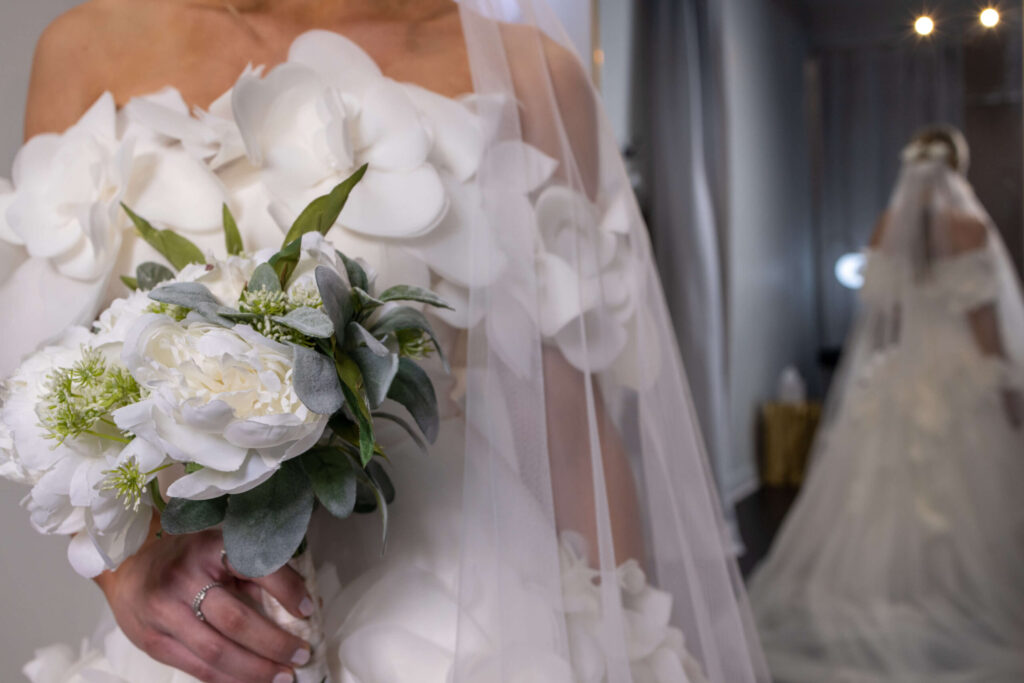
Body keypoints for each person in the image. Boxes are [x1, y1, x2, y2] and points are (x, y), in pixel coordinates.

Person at [3, 1, 768, 682]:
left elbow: (573, 436)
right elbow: (43, 388)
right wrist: (123, 567)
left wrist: (625, 647)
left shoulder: (539, 74)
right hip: (205, 631)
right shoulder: (86, 46)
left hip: (473, 623)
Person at [749, 126, 1024, 682]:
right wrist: (1005, 386)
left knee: (879, 491)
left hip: (902, 370)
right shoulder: (970, 228)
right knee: (968, 493)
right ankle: (957, 599)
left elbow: (882, 322)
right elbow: (983, 322)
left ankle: (891, 593)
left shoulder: (886, 227)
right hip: (957, 372)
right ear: (956, 170)